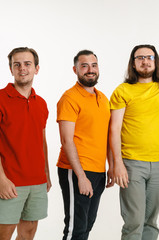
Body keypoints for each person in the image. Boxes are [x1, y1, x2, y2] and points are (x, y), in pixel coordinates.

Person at [110, 44, 159, 240]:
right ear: (133, 63)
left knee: (151, 222)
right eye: (140, 58)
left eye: (149, 57)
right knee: (134, 222)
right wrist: (117, 164)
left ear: (155, 61)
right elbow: (114, 129)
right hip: (131, 163)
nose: (145, 61)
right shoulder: (123, 90)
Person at [0, 47, 51, 240]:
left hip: (37, 181)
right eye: (16, 64)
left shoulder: (41, 103)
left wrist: (46, 174)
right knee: (3, 236)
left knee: (28, 234)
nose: (22, 68)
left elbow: (41, 141)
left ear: (36, 68)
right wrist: (1, 179)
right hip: (8, 180)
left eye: (27, 64)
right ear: (11, 69)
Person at [57, 50, 114, 240]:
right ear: (75, 70)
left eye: (94, 65)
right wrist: (81, 176)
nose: (90, 70)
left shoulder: (103, 99)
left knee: (87, 225)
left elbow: (107, 137)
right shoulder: (70, 98)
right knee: (76, 228)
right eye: (84, 66)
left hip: (98, 171)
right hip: (76, 170)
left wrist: (111, 167)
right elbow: (66, 140)